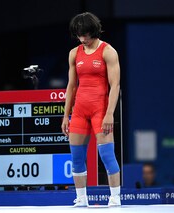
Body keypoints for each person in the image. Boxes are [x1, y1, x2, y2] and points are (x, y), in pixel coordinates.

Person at [61, 12, 121, 207]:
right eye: (79, 35)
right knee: (76, 157)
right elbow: (71, 86)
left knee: (106, 155)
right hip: (79, 111)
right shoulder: (74, 53)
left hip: (100, 110)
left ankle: (115, 197)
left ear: (93, 31)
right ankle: (81, 198)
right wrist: (65, 116)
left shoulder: (108, 51)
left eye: (85, 34)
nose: (82, 39)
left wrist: (109, 113)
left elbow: (115, 85)